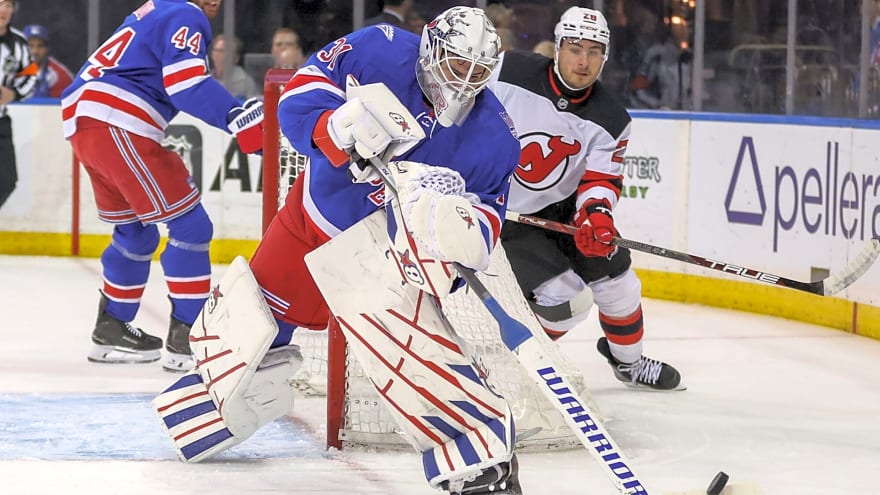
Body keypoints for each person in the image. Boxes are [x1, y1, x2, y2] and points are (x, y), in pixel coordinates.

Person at [154, 7, 524, 495]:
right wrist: (335, 129)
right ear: (431, 49)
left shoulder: (496, 136)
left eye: (478, 72)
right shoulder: (381, 47)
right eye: (457, 65)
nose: (464, 81)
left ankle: (480, 461)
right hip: (313, 217)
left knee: (414, 356)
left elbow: (485, 222)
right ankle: (210, 404)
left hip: (382, 258)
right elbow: (301, 96)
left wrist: (450, 232)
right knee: (243, 330)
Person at [60, 0, 264, 372]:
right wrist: (236, 116)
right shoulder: (187, 13)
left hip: (86, 121)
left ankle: (112, 326)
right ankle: (189, 338)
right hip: (117, 118)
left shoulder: (152, 11)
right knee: (191, 225)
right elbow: (186, 83)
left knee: (136, 232)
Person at [488, 7, 682, 391]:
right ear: (557, 48)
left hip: (560, 210)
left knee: (620, 283)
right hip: (499, 209)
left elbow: (600, 178)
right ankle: (515, 365)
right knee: (563, 298)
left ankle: (628, 364)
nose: (583, 60)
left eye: (595, 51)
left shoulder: (612, 117)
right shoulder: (508, 71)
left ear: (605, 57)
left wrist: (596, 217)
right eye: (575, 48)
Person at [0, 0, 36, 211]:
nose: (5, 10)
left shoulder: (19, 43)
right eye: (1, 3)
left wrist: (13, 93)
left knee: (7, 181)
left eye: (9, 5)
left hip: (1, 121)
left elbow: (30, 75)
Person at [22, 24, 73, 98]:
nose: (35, 51)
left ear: (47, 48)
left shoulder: (60, 74)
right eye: (30, 46)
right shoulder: (9, 70)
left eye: (40, 46)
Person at [209, 33, 259, 100]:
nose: (222, 56)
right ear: (212, 54)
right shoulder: (205, 79)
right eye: (219, 51)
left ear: (236, 58)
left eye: (227, 52)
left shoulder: (246, 82)